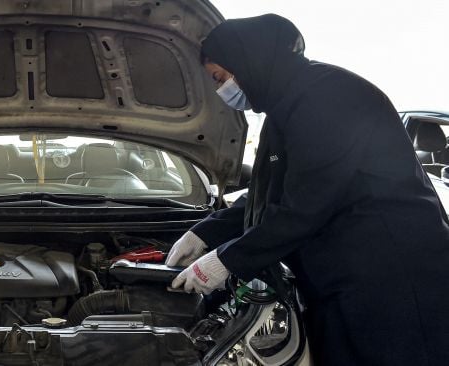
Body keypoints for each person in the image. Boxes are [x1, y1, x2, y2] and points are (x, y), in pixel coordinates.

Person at [168, 14, 449, 366]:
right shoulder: (285, 108)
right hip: (344, 277)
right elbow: (269, 195)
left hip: (393, 280)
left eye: (220, 78)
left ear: (248, 59)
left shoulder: (327, 97)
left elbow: (307, 204)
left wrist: (227, 259)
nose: (221, 91)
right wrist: (205, 232)